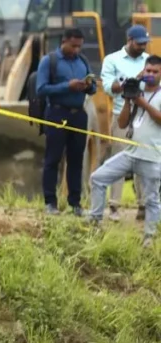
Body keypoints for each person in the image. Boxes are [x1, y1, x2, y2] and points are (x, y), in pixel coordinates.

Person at [88, 54, 161, 247]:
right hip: (131, 153)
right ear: (143, 71)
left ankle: (149, 237)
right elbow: (122, 123)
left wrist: (141, 102)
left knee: (152, 199)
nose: (151, 74)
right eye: (148, 70)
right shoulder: (137, 92)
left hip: (152, 157)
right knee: (98, 178)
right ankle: (94, 222)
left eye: (155, 71)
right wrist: (128, 99)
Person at [36, 28, 95, 216]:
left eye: (79, 46)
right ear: (64, 42)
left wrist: (88, 86)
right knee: (53, 158)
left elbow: (93, 89)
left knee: (76, 160)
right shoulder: (50, 61)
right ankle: (50, 202)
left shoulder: (83, 61)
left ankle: (75, 203)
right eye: (73, 46)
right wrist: (67, 86)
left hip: (79, 115)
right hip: (57, 113)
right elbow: (41, 89)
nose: (76, 50)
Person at [101, 25, 150, 221]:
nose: (142, 47)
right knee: (119, 161)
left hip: (145, 116)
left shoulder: (149, 61)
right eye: (139, 43)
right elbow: (107, 88)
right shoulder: (112, 60)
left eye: (145, 43)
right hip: (122, 116)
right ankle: (114, 206)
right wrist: (129, 82)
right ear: (129, 40)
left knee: (144, 160)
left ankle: (144, 205)